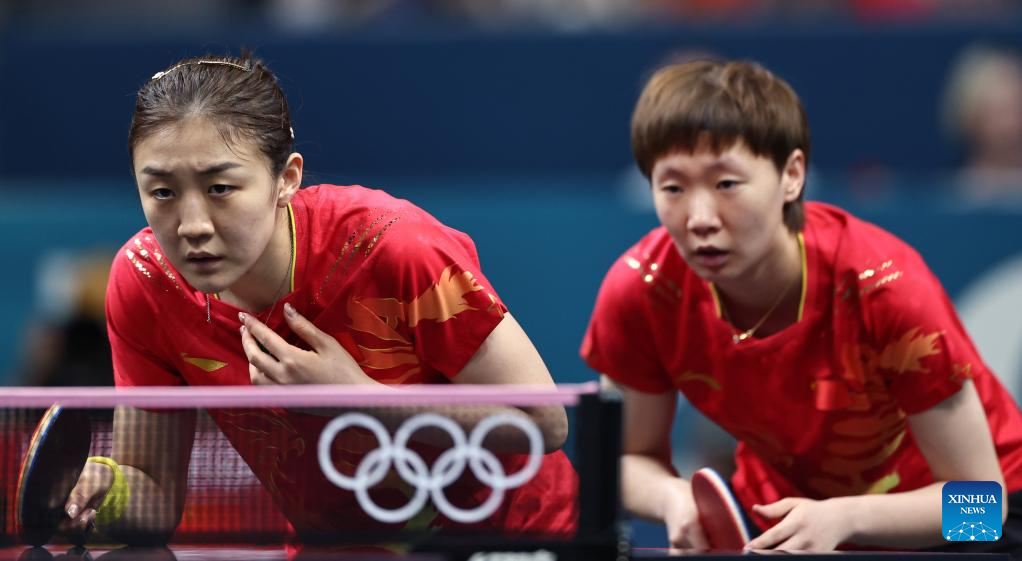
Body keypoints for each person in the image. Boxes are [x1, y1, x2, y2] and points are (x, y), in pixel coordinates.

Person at [61, 53, 576, 546]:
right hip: (348, 546)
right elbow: (151, 491)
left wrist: (361, 398)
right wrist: (104, 492)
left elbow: (544, 422)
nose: (192, 225)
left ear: (286, 179)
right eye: (162, 192)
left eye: (220, 188)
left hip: (515, 535)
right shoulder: (147, 283)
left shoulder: (393, 247)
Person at [581, 59, 1022, 554]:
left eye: (726, 184)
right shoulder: (644, 290)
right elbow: (626, 460)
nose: (699, 218)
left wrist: (849, 519)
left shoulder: (885, 289)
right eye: (673, 188)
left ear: (792, 175)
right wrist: (671, 497)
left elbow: (983, 511)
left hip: (975, 521)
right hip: (795, 523)